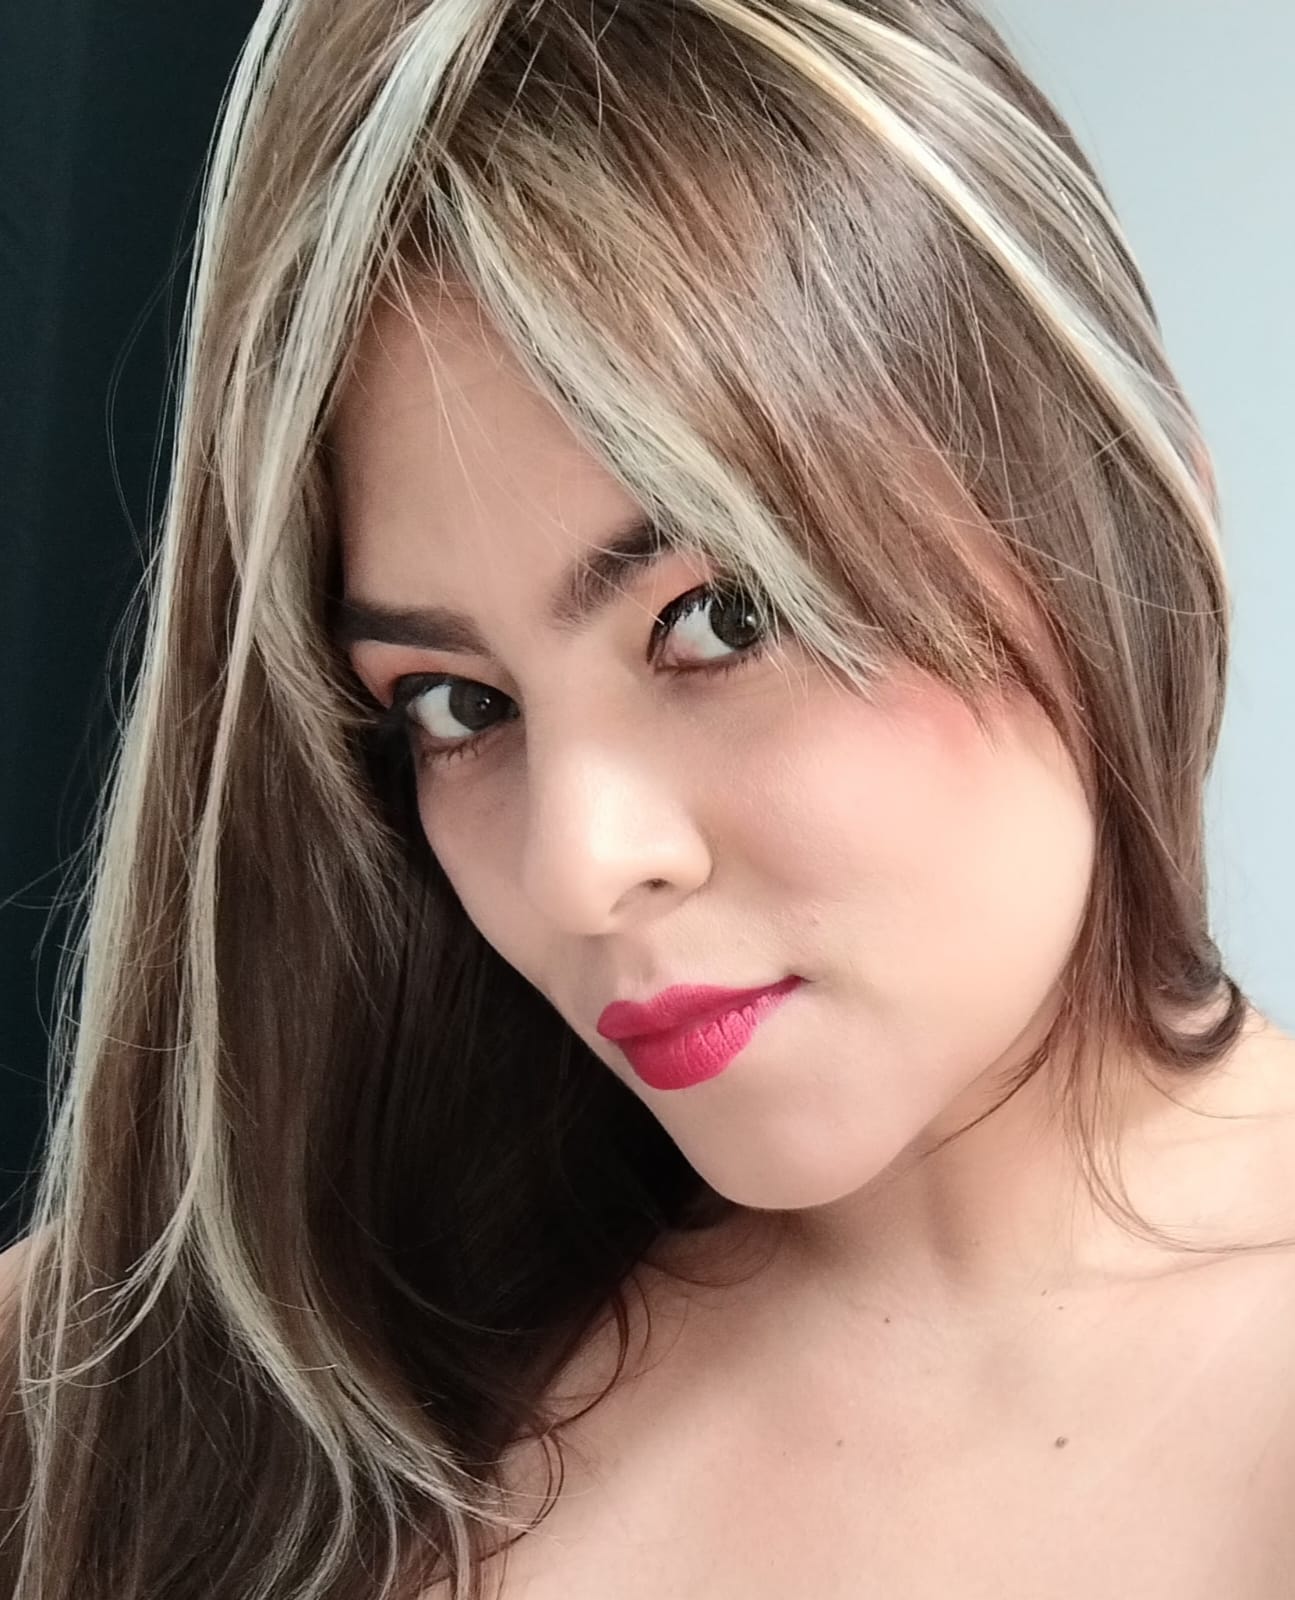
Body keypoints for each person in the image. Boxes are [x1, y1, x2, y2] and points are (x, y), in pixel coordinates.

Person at [1, 0, 1292, 1596]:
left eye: (721, 619)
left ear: (1137, 525)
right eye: (458, 706)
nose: (578, 865)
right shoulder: (164, 1369)